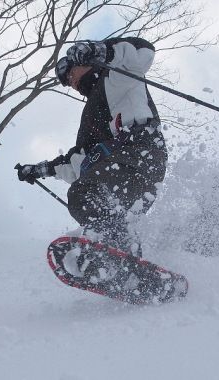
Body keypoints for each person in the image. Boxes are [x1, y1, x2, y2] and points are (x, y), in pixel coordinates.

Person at [16, 38, 167, 257]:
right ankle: (129, 266)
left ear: (84, 62)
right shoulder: (91, 115)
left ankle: (117, 248)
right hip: (129, 170)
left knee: (84, 194)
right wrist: (40, 170)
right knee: (92, 203)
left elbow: (144, 51)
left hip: (139, 150)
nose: (70, 82)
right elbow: (79, 161)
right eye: (66, 81)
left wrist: (99, 49)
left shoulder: (115, 74)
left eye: (69, 73)